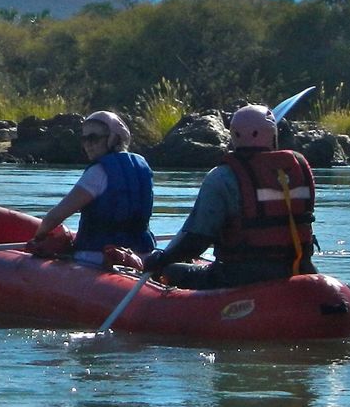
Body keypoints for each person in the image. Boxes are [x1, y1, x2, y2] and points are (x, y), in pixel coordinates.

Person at [143, 104, 317, 289]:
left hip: (239, 276)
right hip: (300, 270)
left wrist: (161, 260)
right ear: (273, 135)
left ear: (233, 135)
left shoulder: (222, 177)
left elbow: (196, 241)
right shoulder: (298, 169)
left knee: (172, 271)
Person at [30, 110, 156, 266]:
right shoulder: (142, 167)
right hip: (143, 258)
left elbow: (54, 217)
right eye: (84, 139)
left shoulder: (98, 172)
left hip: (98, 257)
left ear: (114, 139)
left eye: (93, 138)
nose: (87, 144)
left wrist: (37, 240)